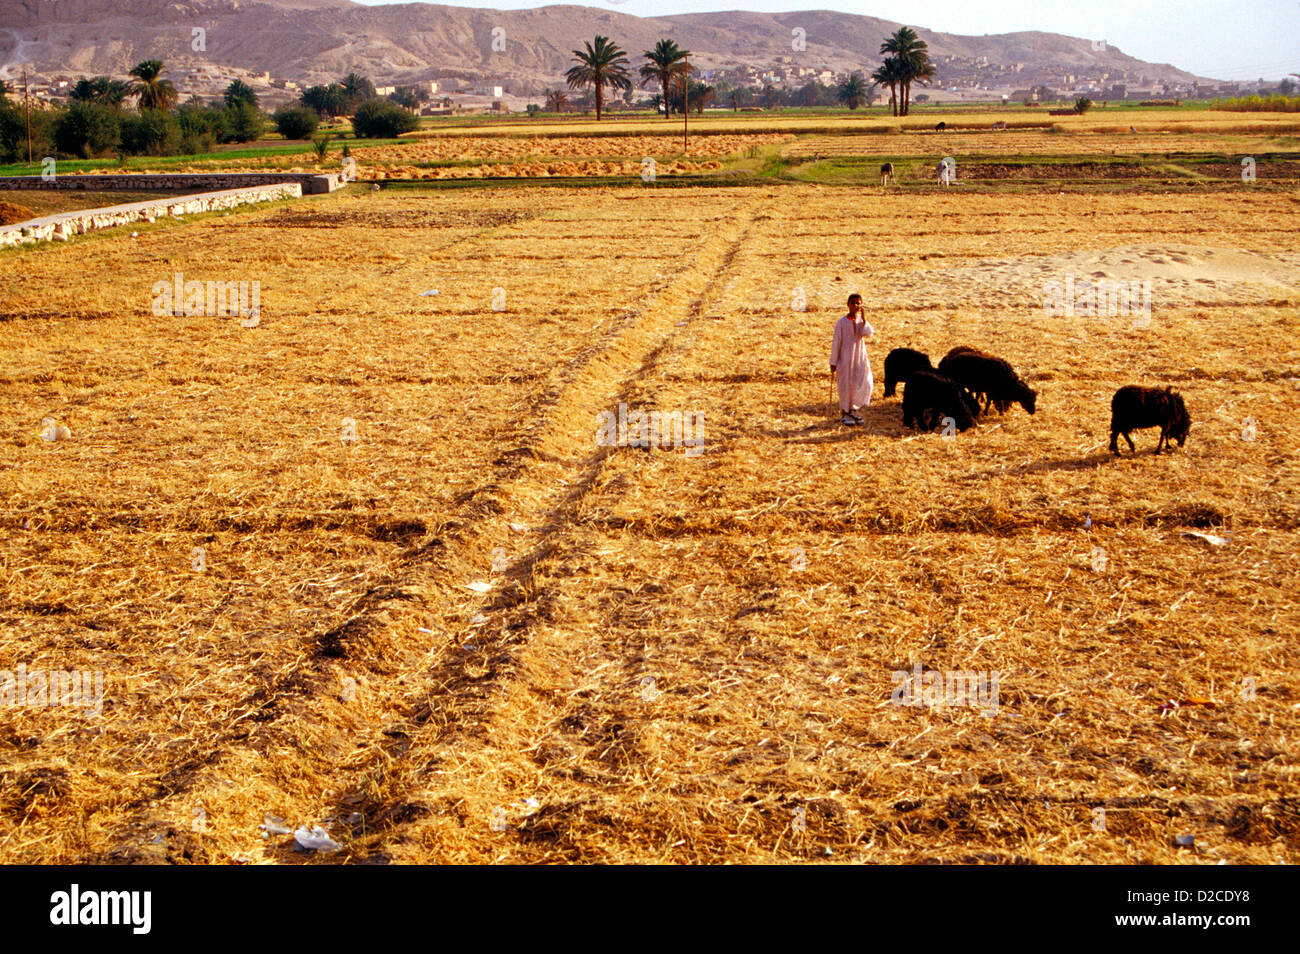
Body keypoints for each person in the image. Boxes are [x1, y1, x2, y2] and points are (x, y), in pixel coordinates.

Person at [829, 293, 875, 426]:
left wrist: (864, 318)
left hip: (859, 357)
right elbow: (836, 342)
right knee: (846, 385)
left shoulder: (861, 321)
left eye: (858, 303)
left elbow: (869, 333)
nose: (856, 305)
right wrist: (833, 362)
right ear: (848, 305)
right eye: (853, 303)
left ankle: (855, 410)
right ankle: (845, 412)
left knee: (863, 381)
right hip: (845, 358)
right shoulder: (841, 322)